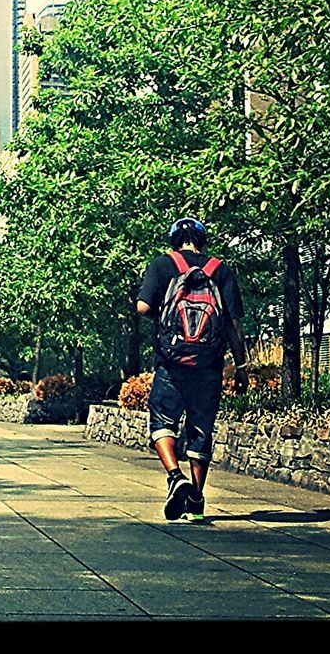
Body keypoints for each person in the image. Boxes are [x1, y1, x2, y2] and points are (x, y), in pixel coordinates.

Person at [136, 217, 250, 522]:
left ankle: (175, 477)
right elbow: (233, 324)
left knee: (162, 421)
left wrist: (164, 320)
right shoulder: (220, 270)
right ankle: (197, 500)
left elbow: (143, 308)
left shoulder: (162, 265)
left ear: (175, 240)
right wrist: (240, 366)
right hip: (209, 365)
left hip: (171, 363)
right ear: (203, 240)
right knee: (201, 427)